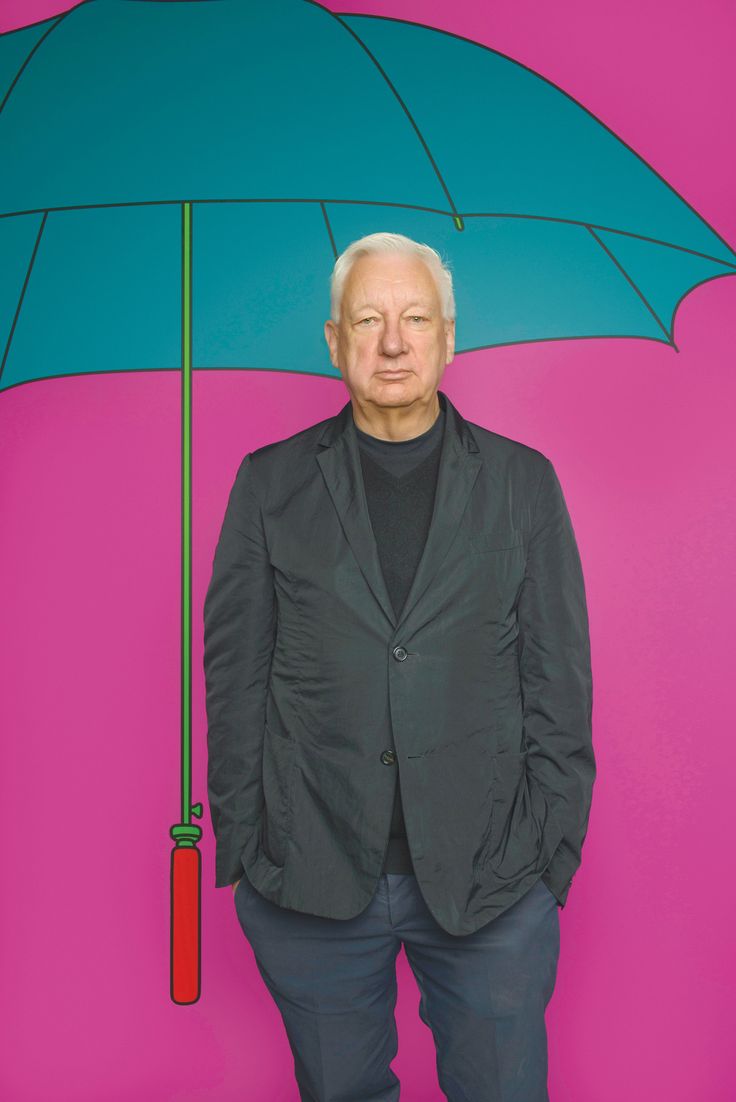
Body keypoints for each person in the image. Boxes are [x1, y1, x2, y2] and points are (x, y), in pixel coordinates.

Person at [203, 231, 595, 1101]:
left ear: (448, 336)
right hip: (309, 876)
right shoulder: (268, 485)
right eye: (369, 319)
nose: (393, 341)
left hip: (493, 880)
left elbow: (559, 679)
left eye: (415, 318)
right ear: (334, 340)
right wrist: (247, 849)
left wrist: (548, 858)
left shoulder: (522, 484)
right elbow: (232, 676)